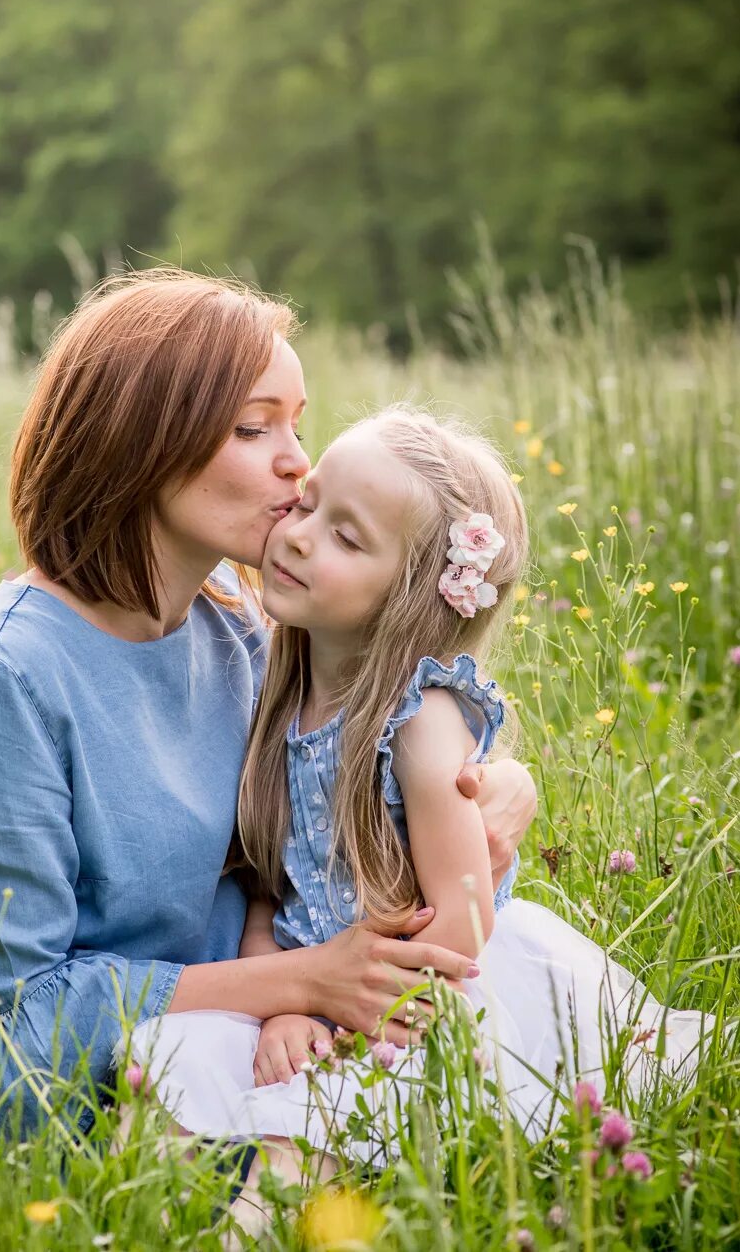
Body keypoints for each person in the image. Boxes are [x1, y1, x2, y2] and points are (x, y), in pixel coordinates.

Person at [0, 272, 537, 1146]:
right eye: (252, 427)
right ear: (140, 440)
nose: (296, 463)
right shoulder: (5, 681)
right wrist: (304, 983)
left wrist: (496, 783)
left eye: (297, 424)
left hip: (267, 1043)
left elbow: (337, 785)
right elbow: (11, 1023)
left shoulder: (236, 629)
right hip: (87, 1111)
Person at [129, 404, 713, 1223]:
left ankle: (256, 1222)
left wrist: (345, 1018)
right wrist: (287, 1004)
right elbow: (265, 887)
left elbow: (461, 922)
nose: (298, 535)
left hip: (424, 996)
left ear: (410, 597)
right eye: (308, 504)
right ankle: (157, 1205)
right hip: (316, 983)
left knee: (315, 1127)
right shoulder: (278, 688)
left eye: (346, 537)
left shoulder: (420, 721)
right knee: (162, 1064)